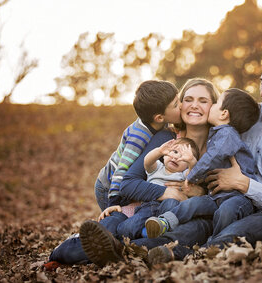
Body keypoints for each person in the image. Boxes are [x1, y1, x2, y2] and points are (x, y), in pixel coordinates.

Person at [145, 51, 262, 264]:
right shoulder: (244, 115)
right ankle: (132, 249)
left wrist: (244, 184)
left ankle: (189, 256)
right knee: (196, 226)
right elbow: (201, 128)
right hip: (227, 202)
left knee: (238, 231)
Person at [45, 78, 218, 267]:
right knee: (113, 225)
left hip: (180, 219)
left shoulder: (219, 146)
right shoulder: (166, 139)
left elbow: (222, 197)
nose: (194, 105)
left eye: (203, 101)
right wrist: (163, 193)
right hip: (141, 208)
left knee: (197, 229)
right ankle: (71, 251)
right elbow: (128, 182)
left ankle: (120, 251)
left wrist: (199, 193)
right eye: (188, 99)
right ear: (179, 104)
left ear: (214, 107)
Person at [145, 88, 260, 239]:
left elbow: (212, 158)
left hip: (237, 197)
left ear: (224, 113)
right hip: (216, 196)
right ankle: (165, 222)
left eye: (216, 103)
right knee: (192, 204)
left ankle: (216, 243)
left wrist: (191, 176)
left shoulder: (227, 134)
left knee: (227, 211)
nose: (211, 106)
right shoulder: (218, 133)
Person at [95, 80, 181, 215]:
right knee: (115, 216)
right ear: (159, 118)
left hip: (120, 184)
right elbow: (122, 169)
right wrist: (114, 202)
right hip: (108, 186)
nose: (182, 106)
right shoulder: (138, 136)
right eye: (176, 105)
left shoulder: (159, 124)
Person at [97, 137, 200, 241]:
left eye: (183, 157)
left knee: (171, 203)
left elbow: (193, 173)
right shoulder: (157, 168)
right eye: (175, 151)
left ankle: (156, 229)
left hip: (169, 208)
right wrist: (159, 151)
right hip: (149, 205)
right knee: (127, 228)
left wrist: (191, 161)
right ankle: (143, 233)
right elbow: (147, 161)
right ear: (164, 155)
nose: (176, 157)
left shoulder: (183, 175)